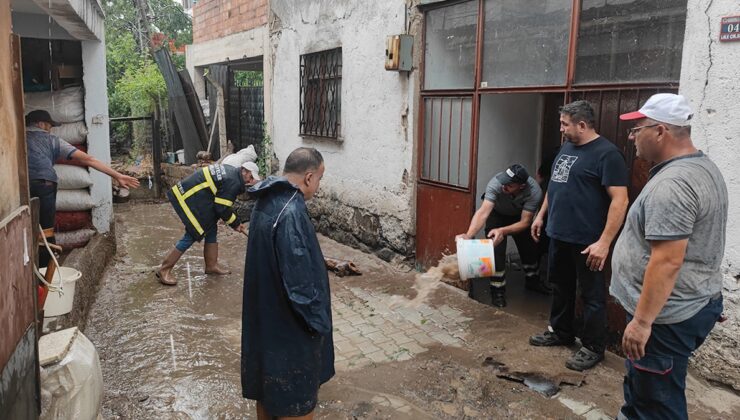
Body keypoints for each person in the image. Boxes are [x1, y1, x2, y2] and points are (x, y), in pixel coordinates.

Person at [610, 94, 726, 419]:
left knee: (657, 405)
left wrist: (642, 323)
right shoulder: (702, 167)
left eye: (637, 130)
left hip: (665, 317)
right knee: (643, 391)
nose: (632, 138)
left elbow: (667, 260)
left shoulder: (673, 184)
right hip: (689, 302)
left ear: (660, 131)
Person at [529, 100, 629, 371]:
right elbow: (555, 183)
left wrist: (604, 242)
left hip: (588, 241)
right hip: (559, 233)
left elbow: (620, 200)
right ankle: (561, 332)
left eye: (564, 124)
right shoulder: (566, 148)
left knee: (592, 296)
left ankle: (593, 347)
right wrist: (540, 215)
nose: (561, 129)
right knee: (560, 286)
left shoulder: (607, 155)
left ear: (582, 125)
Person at [241, 147, 333, 420]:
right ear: (308, 177)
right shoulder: (291, 211)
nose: (318, 186)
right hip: (289, 333)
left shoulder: (266, 201)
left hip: (266, 321)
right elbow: (301, 286)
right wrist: (319, 325)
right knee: (296, 402)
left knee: (268, 395)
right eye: (319, 178)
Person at [25, 110, 140, 266]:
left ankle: (25, 264)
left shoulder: (15, 138)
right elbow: (89, 160)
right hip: (45, 184)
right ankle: (45, 273)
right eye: (49, 125)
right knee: (46, 232)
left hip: (20, 185)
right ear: (41, 124)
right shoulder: (52, 140)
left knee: (22, 226)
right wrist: (117, 175)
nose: (50, 129)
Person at [456, 163, 549, 308]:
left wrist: (503, 231)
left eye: (509, 185)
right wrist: (469, 235)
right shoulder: (496, 183)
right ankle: (497, 291)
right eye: (503, 182)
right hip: (497, 215)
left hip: (519, 218)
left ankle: (533, 281)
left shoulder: (534, 192)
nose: (503, 186)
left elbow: (525, 222)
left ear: (522, 186)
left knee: (529, 249)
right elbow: (483, 212)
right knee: (496, 252)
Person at [156, 161, 260, 285]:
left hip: (192, 195)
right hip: (191, 198)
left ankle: (211, 266)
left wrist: (234, 221)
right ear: (244, 171)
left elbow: (221, 203)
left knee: (211, 227)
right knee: (192, 233)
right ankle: (164, 269)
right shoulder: (234, 182)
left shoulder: (232, 172)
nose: (251, 181)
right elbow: (221, 207)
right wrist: (236, 223)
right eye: (251, 177)